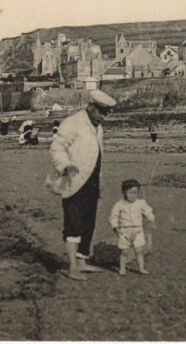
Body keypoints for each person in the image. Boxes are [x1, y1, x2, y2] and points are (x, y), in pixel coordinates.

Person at [47, 89, 117, 281]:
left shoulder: (97, 126)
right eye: (102, 112)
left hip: (92, 181)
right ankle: (71, 267)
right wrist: (66, 165)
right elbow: (57, 148)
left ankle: (82, 260)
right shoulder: (73, 123)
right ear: (91, 107)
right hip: (73, 180)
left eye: (107, 113)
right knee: (74, 222)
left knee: (89, 221)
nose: (104, 117)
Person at [109, 179, 155, 276]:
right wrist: (115, 227)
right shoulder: (119, 204)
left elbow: (147, 211)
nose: (133, 195)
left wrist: (151, 219)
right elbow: (113, 216)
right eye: (130, 193)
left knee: (139, 250)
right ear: (124, 192)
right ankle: (122, 269)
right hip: (124, 231)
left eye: (135, 193)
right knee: (124, 251)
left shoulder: (140, 203)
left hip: (138, 230)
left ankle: (141, 268)